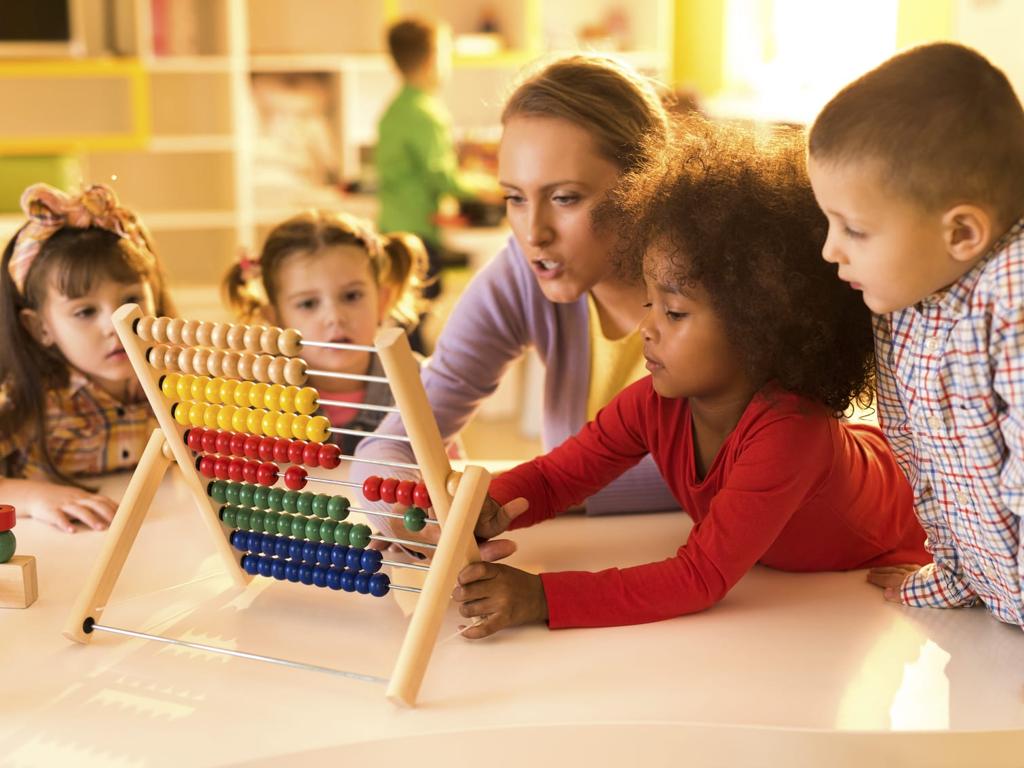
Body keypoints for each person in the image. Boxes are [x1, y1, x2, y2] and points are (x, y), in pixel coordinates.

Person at [450, 118, 930, 636]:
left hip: (917, 520)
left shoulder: (791, 432)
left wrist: (538, 596)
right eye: (649, 302)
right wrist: (489, 503)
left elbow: (698, 577)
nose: (646, 328)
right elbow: (555, 477)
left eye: (674, 313)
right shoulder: (654, 403)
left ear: (759, 329)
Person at [355, 54, 679, 557]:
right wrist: (400, 509)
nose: (534, 233)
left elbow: (743, 466)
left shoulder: (720, 287)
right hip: (584, 555)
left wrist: (525, 492)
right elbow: (404, 430)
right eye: (515, 197)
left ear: (647, 185)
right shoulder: (525, 271)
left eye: (566, 198)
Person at [806, 42, 1024, 629]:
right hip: (1002, 609)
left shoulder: (1013, 296)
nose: (831, 249)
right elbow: (924, 460)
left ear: (961, 232)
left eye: (854, 229)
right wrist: (955, 576)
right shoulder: (901, 304)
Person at [0, 183, 174, 533]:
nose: (116, 325)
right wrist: (36, 498)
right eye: (84, 311)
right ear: (39, 328)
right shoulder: (25, 400)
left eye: (131, 299)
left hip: (162, 533)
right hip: (66, 547)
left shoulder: (176, 382)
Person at [222, 210, 426, 453]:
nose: (334, 317)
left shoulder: (421, 382)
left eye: (352, 296)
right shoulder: (256, 393)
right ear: (275, 319)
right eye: (308, 304)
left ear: (382, 302)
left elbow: (449, 468)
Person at [377, 18, 483, 351]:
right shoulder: (427, 113)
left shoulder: (394, 110)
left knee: (404, 317)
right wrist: (489, 187)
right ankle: (419, 396)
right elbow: (443, 177)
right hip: (419, 236)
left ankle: (410, 391)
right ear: (431, 59)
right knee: (415, 322)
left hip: (391, 227)